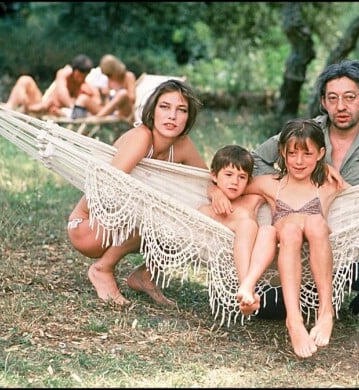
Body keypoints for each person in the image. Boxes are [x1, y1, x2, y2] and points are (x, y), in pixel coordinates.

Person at [248, 59, 359, 326]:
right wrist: (294, 179)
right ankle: (313, 296)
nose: (341, 106)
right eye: (333, 98)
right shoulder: (307, 133)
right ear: (323, 102)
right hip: (302, 239)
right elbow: (256, 159)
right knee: (267, 312)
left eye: (350, 97)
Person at [67, 79, 207, 306]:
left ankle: (145, 275)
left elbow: (205, 183)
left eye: (181, 110)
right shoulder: (142, 136)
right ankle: (102, 270)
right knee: (159, 212)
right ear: (152, 110)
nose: (172, 116)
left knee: (192, 219)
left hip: (119, 226)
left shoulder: (181, 145)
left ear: (188, 118)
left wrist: (218, 194)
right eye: (165, 107)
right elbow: (111, 187)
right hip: (88, 227)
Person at [241, 118, 344, 358]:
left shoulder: (328, 185)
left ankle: (325, 311)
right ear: (282, 153)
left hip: (317, 244)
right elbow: (232, 185)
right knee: (289, 230)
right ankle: (294, 320)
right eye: (292, 153)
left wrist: (331, 170)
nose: (299, 161)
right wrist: (215, 191)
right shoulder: (271, 184)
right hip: (287, 246)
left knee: (317, 222)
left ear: (320, 154)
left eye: (307, 154)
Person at [198, 145, 277, 316]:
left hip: (251, 249)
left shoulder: (252, 198)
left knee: (261, 228)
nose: (235, 182)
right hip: (216, 239)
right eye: (228, 175)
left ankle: (246, 287)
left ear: (249, 181)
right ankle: (246, 287)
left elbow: (279, 184)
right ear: (214, 175)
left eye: (242, 177)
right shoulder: (207, 207)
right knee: (247, 224)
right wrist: (215, 191)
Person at [5, 54, 97, 117]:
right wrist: (72, 107)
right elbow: (62, 92)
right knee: (25, 79)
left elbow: (96, 100)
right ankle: (9, 107)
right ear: (74, 70)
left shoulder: (85, 86)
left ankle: (27, 109)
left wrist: (72, 110)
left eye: (84, 76)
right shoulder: (64, 74)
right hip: (42, 102)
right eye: (79, 75)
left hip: (55, 111)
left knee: (48, 105)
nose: (81, 79)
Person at [73, 54, 137, 122]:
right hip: (109, 112)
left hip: (123, 112)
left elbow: (132, 99)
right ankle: (77, 123)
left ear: (115, 70)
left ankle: (96, 119)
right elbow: (107, 102)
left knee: (123, 93)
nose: (108, 77)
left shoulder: (128, 76)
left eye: (109, 75)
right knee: (83, 98)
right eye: (107, 75)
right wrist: (105, 95)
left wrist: (115, 94)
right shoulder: (109, 80)